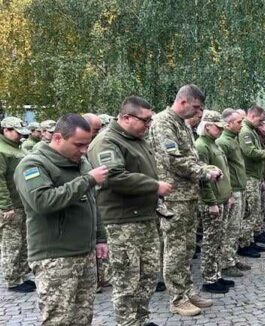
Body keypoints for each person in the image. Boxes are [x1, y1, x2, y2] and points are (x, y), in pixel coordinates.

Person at [14, 114, 109, 325]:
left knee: (83, 316)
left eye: (87, 144)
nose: (84, 150)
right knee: (59, 319)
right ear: (57, 138)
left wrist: (100, 237)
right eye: (79, 144)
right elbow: (43, 201)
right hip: (55, 257)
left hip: (84, 252)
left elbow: (92, 202)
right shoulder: (33, 165)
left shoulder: (80, 162)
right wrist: (88, 180)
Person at [87, 96, 171, 326]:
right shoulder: (107, 141)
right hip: (122, 221)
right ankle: (128, 323)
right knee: (127, 280)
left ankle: (141, 319)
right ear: (126, 117)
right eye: (145, 120)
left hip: (144, 217)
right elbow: (114, 176)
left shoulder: (137, 139)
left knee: (149, 275)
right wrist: (155, 186)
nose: (149, 125)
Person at [148, 84, 222, 316]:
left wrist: (204, 167)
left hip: (188, 195)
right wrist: (204, 173)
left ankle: (188, 290)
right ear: (183, 102)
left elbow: (191, 157)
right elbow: (174, 160)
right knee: (175, 249)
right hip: (173, 198)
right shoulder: (163, 123)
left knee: (188, 247)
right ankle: (177, 298)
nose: (199, 112)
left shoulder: (181, 124)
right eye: (197, 107)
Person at [194, 110, 236, 294]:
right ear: (207, 126)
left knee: (219, 238)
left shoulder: (213, 143)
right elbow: (203, 179)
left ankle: (217, 274)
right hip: (213, 201)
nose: (220, 130)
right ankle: (209, 278)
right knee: (211, 240)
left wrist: (229, 195)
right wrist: (211, 202)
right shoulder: (201, 146)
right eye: (217, 127)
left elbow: (223, 172)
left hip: (222, 198)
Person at [215, 109, 257, 268]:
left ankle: (231, 257)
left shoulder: (233, 139)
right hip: (233, 190)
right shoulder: (223, 142)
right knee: (231, 228)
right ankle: (226, 263)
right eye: (239, 122)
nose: (241, 124)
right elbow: (223, 170)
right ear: (228, 124)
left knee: (236, 226)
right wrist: (230, 192)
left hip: (241, 187)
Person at [0, 117, 34, 293]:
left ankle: (21, 275)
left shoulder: (16, 148)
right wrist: (6, 207)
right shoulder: (2, 150)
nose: (20, 136)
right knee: (12, 244)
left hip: (21, 204)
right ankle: (12, 279)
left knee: (22, 242)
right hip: (11, 206)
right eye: (17, 132)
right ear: (6, 130)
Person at [239, 106, 265, 247]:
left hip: (255, 175)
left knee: (255, 210)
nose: (261, 124)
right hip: (250, 176)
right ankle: (244, 243)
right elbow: (251, 152)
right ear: (253, 116)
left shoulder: (252, 131)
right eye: (260, 120)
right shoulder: (246, 132)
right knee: (252, 212)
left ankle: (250, 239)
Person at [83, 112, 110, 292]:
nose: (97, 133)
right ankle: (94, 281)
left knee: (100, 243)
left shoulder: (94, 145)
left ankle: (101, 277)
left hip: (96, 202)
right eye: (95, 130)